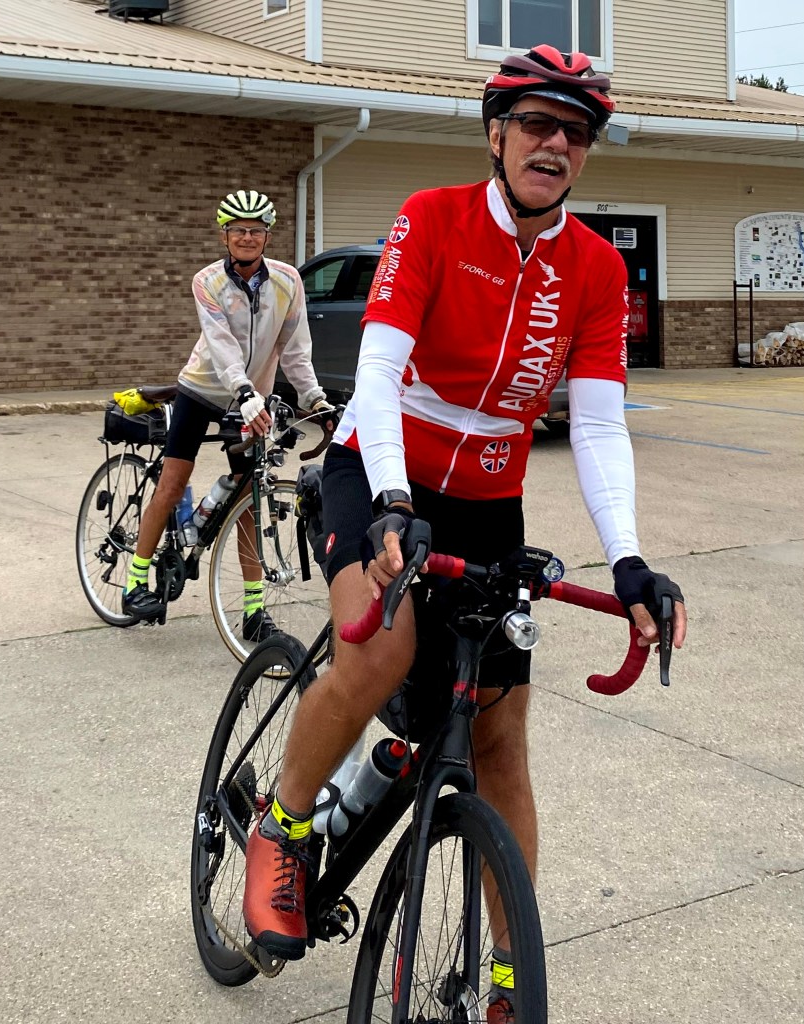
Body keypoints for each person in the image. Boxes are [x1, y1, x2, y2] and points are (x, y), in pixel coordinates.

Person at [242, 45, 687, 1021]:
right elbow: (377, 369)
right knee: (379, 648)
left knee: (499, 738)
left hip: (488, 500)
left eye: (575, 131)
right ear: (496, 133)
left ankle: (507, 977)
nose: (554, 143)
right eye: (535, 122)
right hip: (380, 466)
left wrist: (628, 560)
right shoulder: (433, 217)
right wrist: (393, 500)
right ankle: (281, 830)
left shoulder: (594, 265)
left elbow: (598, 423)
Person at [120, 189, 336, 636]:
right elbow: (220, 346)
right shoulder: (207, 282)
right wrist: (244, 391)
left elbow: (295, 349)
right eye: (238, 230)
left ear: (267, 236)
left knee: (248, 498)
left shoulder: (288, 281)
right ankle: (135, 581)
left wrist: (315, 399)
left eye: (256, 230)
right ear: (224, 236)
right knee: (173, 481)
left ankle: (253, 612)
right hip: (203, 389)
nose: (247, 237)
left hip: (251, 397)